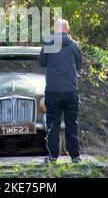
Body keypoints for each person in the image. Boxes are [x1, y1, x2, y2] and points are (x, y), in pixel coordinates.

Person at [38, 19, 83, 163]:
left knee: (53, 123)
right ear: (67, 30)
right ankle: (75, 156)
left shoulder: (49, 44)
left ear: (55, 30)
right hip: (70, 90)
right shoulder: (74, 46)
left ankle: (52, 156)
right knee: (72, 123)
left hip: (53, 90)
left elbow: (41, 62)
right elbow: (79, 65)